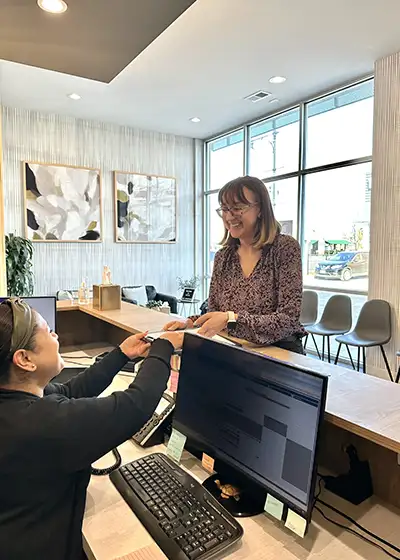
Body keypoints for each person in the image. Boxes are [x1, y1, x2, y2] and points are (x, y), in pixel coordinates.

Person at [0, 297, 183, 560]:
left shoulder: (15, 396)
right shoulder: (41, 423)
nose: (56, 335)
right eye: (47, 332)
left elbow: (68, 392)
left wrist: (121, 354)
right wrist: (163, 347)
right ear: (25, 359)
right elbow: (135, 406)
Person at [165, 175, 305, 353]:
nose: (229, 216)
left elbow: (288, 319)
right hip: (235, 351)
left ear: (261, 209)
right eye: (224, 209)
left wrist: (232, 319)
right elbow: (215, 312)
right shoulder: (223, 257)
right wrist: (190, 322)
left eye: (238, 208)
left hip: (278, 355)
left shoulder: (285, 248)